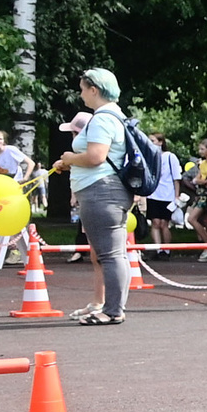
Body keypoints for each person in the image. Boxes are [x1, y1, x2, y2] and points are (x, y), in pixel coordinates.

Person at [49, 68, 134, 326]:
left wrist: (69, 158)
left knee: (109, 254)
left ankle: (111, 310)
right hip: (110, 190)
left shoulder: (102, 118)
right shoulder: (115, 116)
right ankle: (113, 307)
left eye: (83, 88)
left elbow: (96, 156)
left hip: (101, 191)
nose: (81, 93)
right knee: (114, 253)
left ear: (94, 90)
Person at [145, 131, 180, 248]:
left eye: (153, 141)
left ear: (160, 142)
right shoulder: (149, 157)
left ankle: (166, 249)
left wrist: (176, 196)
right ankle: (158, 249)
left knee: (164, 223)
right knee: (155, 222)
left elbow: (176, 178)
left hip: (167, 195)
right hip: (153, 194)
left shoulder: (170, 157)